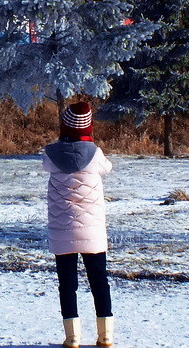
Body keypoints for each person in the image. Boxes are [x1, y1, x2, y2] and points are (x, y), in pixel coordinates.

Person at [42, 101, 114, 348]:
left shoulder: (50, 155)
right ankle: (105, 336)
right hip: (92, 231)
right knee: (99, 281)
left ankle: (72, 337)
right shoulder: (96, 155)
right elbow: (108, 169)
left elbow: (46, 166)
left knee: (67, 285)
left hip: (62, 232)